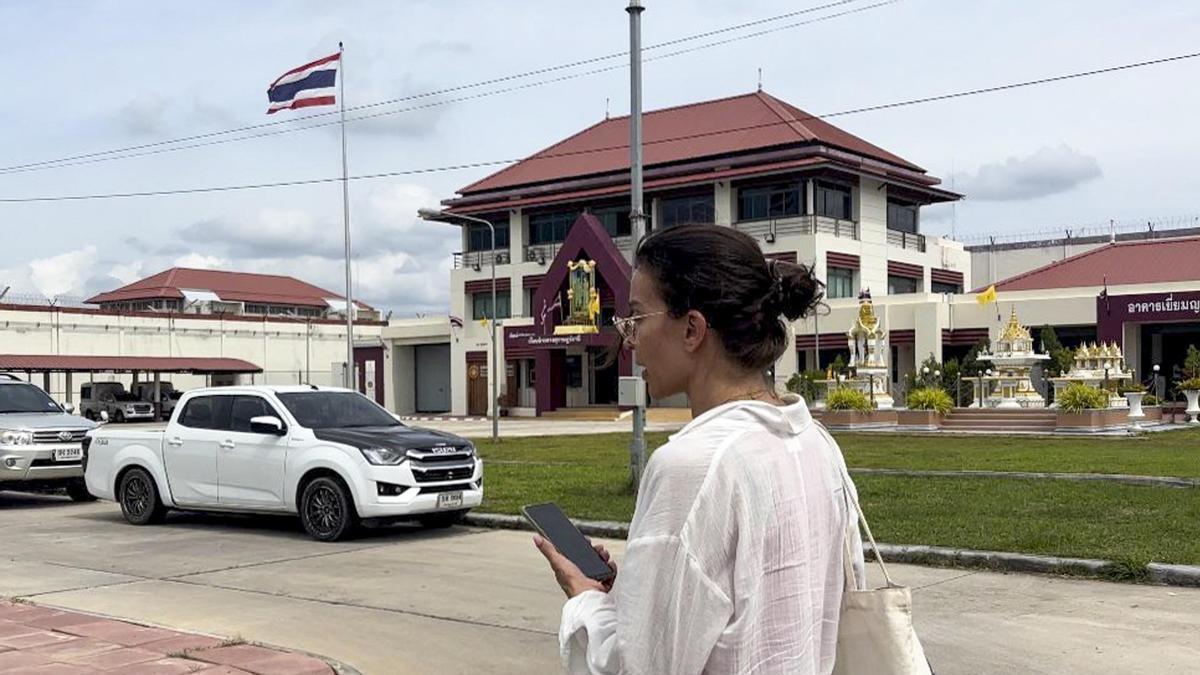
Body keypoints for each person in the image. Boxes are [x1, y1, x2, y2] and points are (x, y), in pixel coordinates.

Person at [534, 224, 866, 674]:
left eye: (636, 318)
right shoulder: (815, 443)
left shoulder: (693, 466)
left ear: (692, 329)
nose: (629, 340)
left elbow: (637, 666)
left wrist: (586, 599)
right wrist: (635, 594)